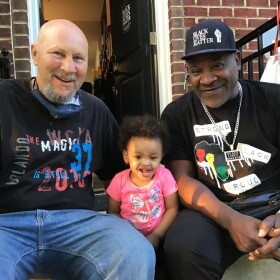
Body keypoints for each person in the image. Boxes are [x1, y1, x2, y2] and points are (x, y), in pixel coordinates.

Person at [0, 19, 155, 279]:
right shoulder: (4, 98)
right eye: (58, 54)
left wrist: (135, 217)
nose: (68, 67)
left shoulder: (96, 110)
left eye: (78, 58)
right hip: (7, 225)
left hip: (80, 225)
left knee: (134, 253)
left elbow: (119, 179)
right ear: (35, 52)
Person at [160, 19, 280, 279]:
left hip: (273, 202)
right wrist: (230, 220)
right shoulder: (177, 115)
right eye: (195, 70)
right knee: (183, 244)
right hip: (213, 209)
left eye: (217, 65)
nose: (207, 79)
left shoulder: (272, 99)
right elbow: (182, 179)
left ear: (236, 60)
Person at [106, 114, 179, 250]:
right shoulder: (119, 181)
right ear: (126, 156)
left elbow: (173, 208)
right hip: (129, 241)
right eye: (138, 156)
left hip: (161, 237)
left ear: (161, 156)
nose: (146, 163)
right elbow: (113, 212)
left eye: (153, 157)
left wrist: (157, 235)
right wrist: (129, 235)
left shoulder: (165, 176)